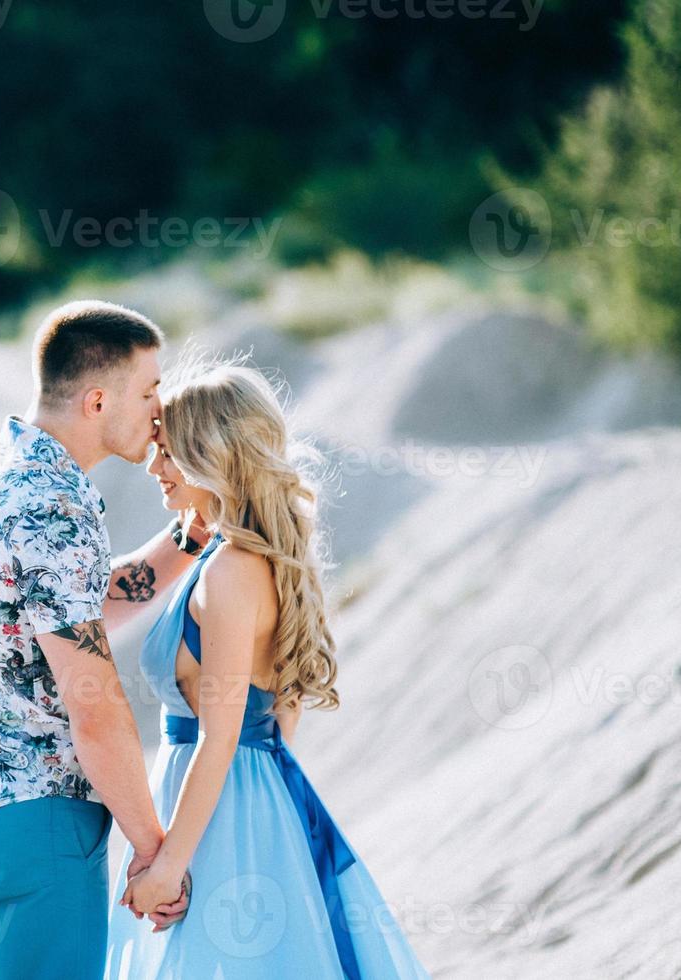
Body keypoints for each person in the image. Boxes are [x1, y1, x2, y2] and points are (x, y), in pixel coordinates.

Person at [105, 356, 432, 978]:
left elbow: (222, 731)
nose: (155, 468)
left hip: (218, 809)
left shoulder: (230, 572)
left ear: (211, 456)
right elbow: (281, 715)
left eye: (168, 452)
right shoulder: (244, 559)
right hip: (249, 796)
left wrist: (173, 862)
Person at [0, 300, 206, 979]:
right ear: (99, 400)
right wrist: (154, 847)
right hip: (36, 826)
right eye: (150, 392)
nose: (160, 412)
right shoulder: (55, 506)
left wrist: (192, 535)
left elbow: (53, 608)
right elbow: (94, 705)